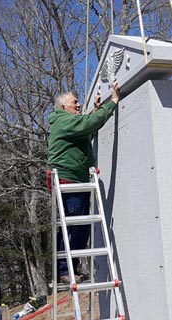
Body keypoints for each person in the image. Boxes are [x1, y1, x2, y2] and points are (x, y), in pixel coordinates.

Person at [48, 82, 120, 283]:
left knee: (79, 226)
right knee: (72, 225)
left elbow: (87, 130)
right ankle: (64, 269)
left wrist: (97, 111)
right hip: (68, 179)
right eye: (75, 102)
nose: (79, 105)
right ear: (64, 107)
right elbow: (88, 125)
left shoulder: (69, 123)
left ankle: (71, 267)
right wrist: (113, 102)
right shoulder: (63, 121)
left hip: (75, 178)